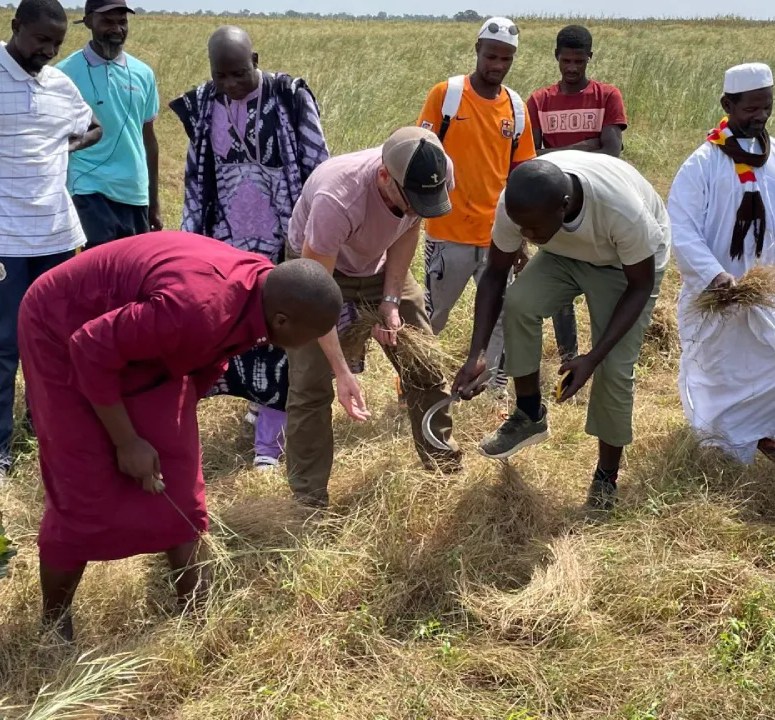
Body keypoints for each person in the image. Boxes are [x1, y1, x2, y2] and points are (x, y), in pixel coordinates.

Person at [18, 231, 343, 641]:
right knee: (84, 481)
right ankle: (55, 627)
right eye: (310, 335)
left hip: (132, 330)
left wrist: (169, 420)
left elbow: (212, 349)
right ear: (282, 321)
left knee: (179, 469)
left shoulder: (260, 291)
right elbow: (90, 347)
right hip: (62, 323)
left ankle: (196, 613)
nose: (310, 344)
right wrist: (126, 441)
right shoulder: (198, 308)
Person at [453, 152, 670, 510]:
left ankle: (606, 476)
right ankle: (528, 414)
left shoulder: (621, 210)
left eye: (533, 230)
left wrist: (592, 358)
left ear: (564, 206)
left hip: (625, 268)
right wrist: (477, 353)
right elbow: (495, 275)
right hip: (566, 252)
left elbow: (640, 285)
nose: (525, 236)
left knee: (614, 370)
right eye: (521, 228)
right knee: (521, 301)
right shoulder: (520, 205)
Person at [170, 26, 329, 470]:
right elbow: (196, 179)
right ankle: (254, 405)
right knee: (234, 332)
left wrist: (310, 243)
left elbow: (319, 170)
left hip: (283, 240)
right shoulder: (204, 103)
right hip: (228, 244)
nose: (230, 85)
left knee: (284, 333)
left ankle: (268, 445)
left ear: (255, 59)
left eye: (239, 73)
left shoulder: (289, 96)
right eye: (221, 76)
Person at [285, 127, 461, 508]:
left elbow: (408, 227)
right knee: (311, 383)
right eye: (409, 199)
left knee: (425, 364)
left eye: (424, 201)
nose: (417, 207)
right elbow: (316, 294)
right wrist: (341, 369)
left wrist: (392, 299)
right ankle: (308, 499)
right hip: (318, 270)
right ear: (384, 176)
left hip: (380, 264)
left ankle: (441, 465)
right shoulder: (338, 197)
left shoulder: (435, 171)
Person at [668, 63, 775, 466]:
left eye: (767, 108)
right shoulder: (701, 164)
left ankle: (767, 432)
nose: (759, 117)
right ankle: (723, 445)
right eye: (750, 109)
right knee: (722, 374)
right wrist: (714, 275)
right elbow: (681, 229)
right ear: (727, 104)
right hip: (720, 294)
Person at [0, 0, 102, 482]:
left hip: (57, 235)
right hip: (3, 239)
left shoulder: (60, 83)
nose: (47, 50)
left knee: (57, 342)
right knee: (2, 345)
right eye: (39, 39)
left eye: (56, 44)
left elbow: (93, 127)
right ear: (15, 27)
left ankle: (42, 430)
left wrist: (66, 143)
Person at [417, 16, 538, 392]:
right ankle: (414, 385)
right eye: (490, 56)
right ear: (477, 51)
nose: (497, 66)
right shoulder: (447, 95)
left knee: (499, 317)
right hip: (447, 231)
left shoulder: (516, 109)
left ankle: (484, 388)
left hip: (497, 235)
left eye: (505, 59)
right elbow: (421, 154)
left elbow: (522, 175)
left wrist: (520, 237)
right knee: (430, 318)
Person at [526, 24, 628, 364]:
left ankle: (604, 352)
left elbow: (612, 150)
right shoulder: (540, 101)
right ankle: (569, 355)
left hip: (601, 201)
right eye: (566, 61)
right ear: (556, 57)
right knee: (560, 278)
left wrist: (557, 154)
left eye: (579, 62)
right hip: (556, 206)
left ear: (589, 59)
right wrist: (586, 145)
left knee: (607, 277)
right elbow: (530, 156)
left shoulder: (607, 96)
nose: (572, 69)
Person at [57, 0, 162, 247]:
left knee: (131, 273)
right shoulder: (63, 74)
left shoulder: (143, 73)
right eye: (107, 21)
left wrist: (154, 201)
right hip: (87, 188)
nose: (117, 28)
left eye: (122, 21)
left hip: (133, 191)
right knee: (99, 269)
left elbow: (149, 139)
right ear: (88, 21)